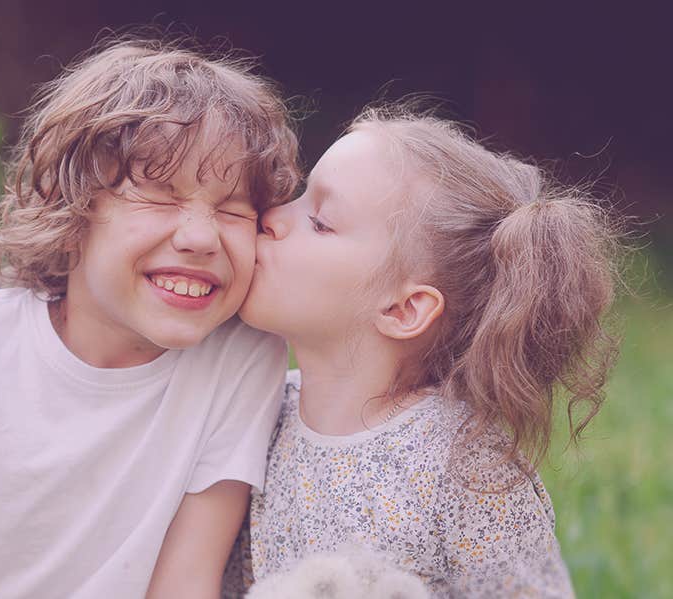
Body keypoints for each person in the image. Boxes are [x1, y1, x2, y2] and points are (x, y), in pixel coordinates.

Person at [0, 37, 301, 598]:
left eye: (232, 210)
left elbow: (185, 584)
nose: (200, 237)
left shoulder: (242, 358)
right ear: (71, 207)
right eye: (158, 197)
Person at [231, 103, 622, 598]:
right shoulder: (257, 411)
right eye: (300, 196)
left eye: (321, 222)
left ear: (403, 309)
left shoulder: (467, 470)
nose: (271, 217)